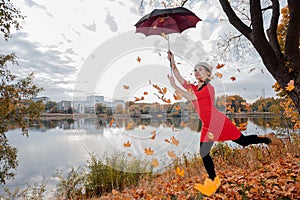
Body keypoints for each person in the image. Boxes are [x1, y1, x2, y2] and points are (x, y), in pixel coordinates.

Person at [167, 51, 272, 196]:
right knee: (204, 153)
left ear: (208, 75)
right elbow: (179, 76)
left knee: (243, 142)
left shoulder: (208, 88)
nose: (197, 72)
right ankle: (214, 181)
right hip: (207, 125)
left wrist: (173, 86)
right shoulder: (193, 86)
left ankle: (267, 139)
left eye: (201, 69)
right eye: (195, 70)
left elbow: (189, 96)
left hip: (218, 123)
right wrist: (172, 60)